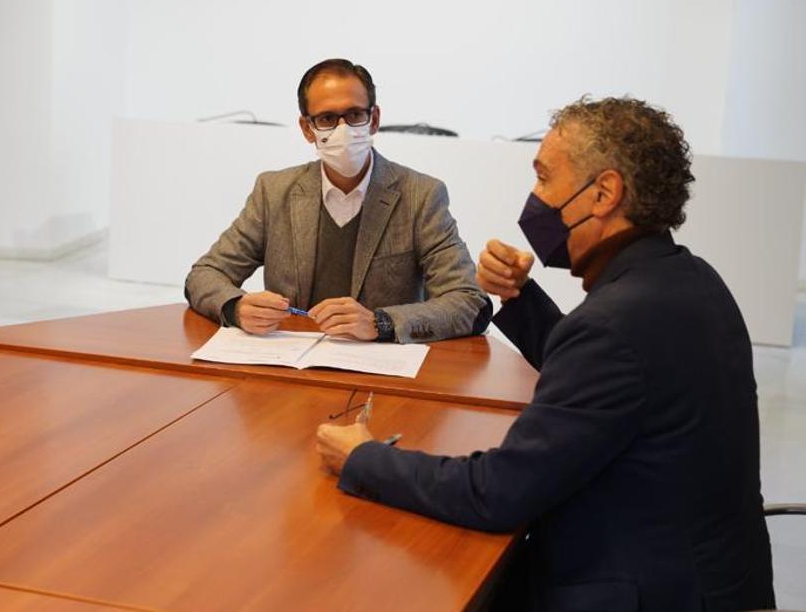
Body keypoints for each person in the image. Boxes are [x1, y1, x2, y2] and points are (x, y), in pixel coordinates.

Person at [316, 97, 775, 610]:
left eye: (544, 177)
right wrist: (519, 297)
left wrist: (364, 458)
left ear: (603, 194)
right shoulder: (691, 279)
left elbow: (497, 493)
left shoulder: (614, 326)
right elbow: (602, 380)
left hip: (638, 590)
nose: (535, 197)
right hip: (714, 578)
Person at [185, 58, 488, 343]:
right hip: (290, 364)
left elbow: (469, 301)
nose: (343, 129)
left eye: (355, 115)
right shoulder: (273, 192)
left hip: (379, 367)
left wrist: (380, 323)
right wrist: (235, 307)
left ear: (374, 119)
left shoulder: (421, 196)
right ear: (307, 129)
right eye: (327, 118)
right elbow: (204, 275)